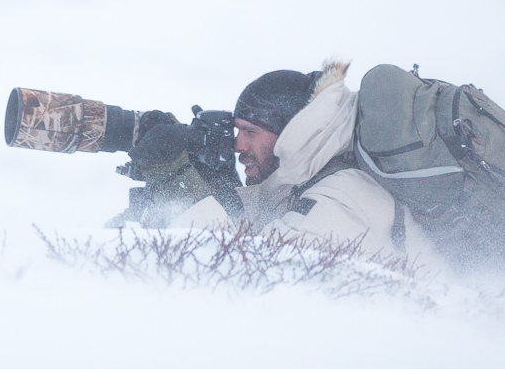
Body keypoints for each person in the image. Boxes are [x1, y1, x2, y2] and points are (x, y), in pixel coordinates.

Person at [129, 59, 430, 260]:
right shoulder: (313, 175)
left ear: (291, 134)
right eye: (237, 130)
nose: (237, 144)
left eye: (251, 131)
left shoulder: (339, 195)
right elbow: (267, 227)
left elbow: (246, 268)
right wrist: (217, 187)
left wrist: (176, 178)